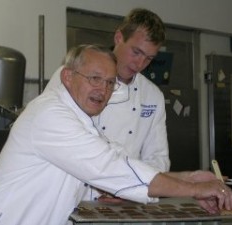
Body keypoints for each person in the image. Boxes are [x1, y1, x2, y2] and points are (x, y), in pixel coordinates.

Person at [0, 44, 232, 225]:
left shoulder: (80, 120)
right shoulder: (50, 115)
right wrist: (194, 189)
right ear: (67, 77)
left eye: (110, 83)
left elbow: (115, 161)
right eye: (94, 78)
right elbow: (110, 167)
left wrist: (190, 176)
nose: (103, 90)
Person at [46, 8, 170, 173]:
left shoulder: (152, 96)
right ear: (119, 38)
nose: (140, 64)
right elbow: (53, 135)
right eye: (136, 52)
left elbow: (158, 158)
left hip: (127, 191)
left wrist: (129, 186)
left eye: (149, 58)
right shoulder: (73, 76)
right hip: (75, 187)